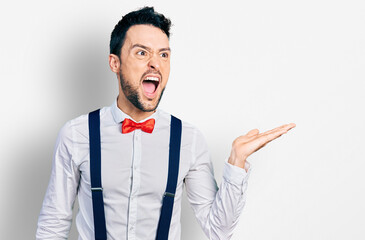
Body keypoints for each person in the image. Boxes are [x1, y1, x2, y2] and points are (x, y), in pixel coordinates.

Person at [36, 6, 295, 240]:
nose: (155, 64)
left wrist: (237, 162)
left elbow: (218, 230)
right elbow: (53, 225)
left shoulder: (188, 139)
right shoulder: (77, 134)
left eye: (163, 55)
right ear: (115, 63)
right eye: (141, 53)